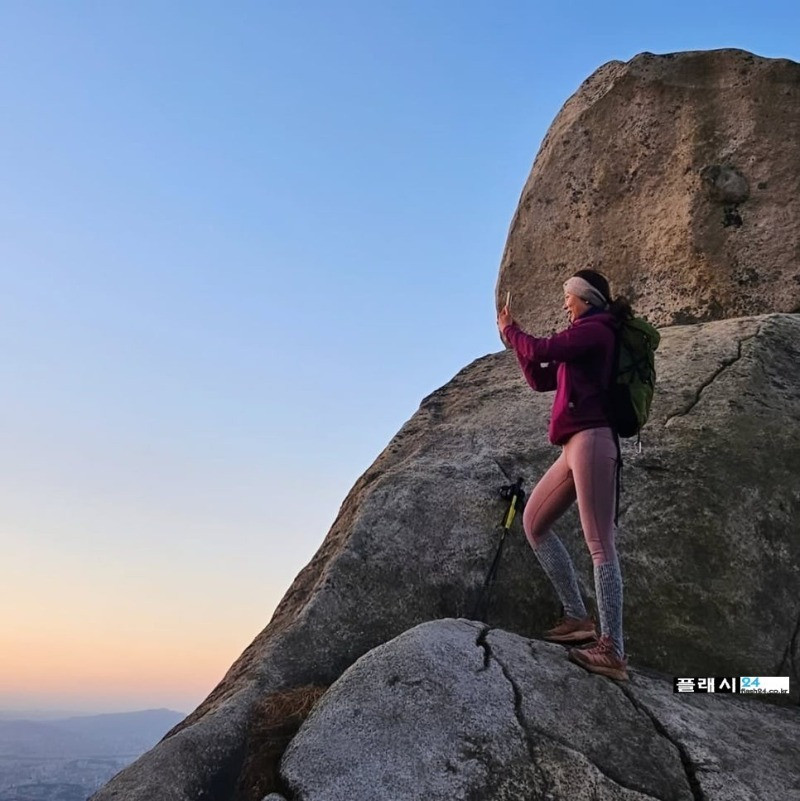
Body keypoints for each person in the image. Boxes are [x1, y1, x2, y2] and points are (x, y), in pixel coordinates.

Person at [497, 269, 630, 681]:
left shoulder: (597, 330)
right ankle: (578, 617)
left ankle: (614, 650)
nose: (564, 303)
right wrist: (515, 343)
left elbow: (539, 348)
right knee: (534, 522)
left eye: (567, 296)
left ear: (585, 298)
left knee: (599, 544)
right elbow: (539, 376)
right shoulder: (583, 341)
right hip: (574, 444)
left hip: (593, 440)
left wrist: (511, 330)